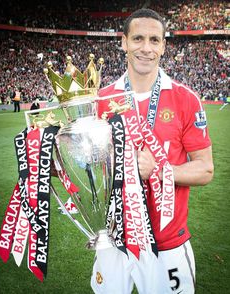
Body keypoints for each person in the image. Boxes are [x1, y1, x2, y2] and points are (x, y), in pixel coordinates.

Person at [91, 8, 214, 294]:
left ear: (163, 46)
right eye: (138, 38)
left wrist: (158, 171)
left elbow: (205, 169)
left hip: (167, 241)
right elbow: (91, 167)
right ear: (123, 42)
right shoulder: (100, 99)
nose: (146, 48)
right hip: (114, 240)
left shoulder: (185, 99)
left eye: (154, 40)